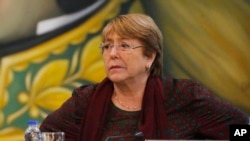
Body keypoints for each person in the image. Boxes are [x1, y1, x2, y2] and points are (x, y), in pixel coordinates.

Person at [40, 13, 249, 141]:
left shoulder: (184, 96)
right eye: (107, 46)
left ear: (149, 56)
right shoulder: (85, 101)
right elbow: (43, 137)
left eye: (124, 45)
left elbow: (242, 130)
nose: (112, 53)